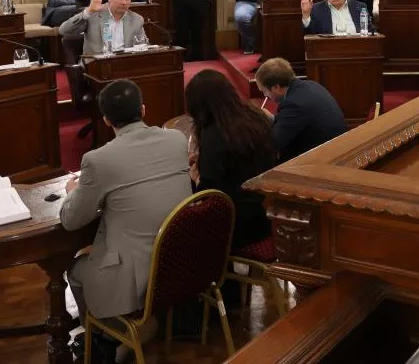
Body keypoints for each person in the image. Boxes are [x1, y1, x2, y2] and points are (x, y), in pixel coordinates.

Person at [61, 79, 190, 326]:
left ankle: (101, 336)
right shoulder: (177, 140)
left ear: (106, 120)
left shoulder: (98, 160)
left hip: (135, 277)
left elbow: (71, 220)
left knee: (75, 269)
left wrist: (71, 192)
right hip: (181, 264)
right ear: (143, 109)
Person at [185, 70, 276, 249]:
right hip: (265, 211)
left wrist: (195, 177)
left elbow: (210, 193)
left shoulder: (214, 133)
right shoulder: (256, 116)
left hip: (235, 224)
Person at [254, 58, 346, 162]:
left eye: (264, 91)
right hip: (335, 147)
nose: (265, 96)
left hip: (324, 160)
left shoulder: (294, 104)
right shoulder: (311, 85)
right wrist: (272, 118)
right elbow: (293, 121)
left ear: (276, 87)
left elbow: (273, 144)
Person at [60, 0, 146, 55]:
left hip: (124, 63)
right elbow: (64, 30)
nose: (124, 2)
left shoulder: (137, 20)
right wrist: (88, 11)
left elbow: (143, 46)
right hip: (97, 64)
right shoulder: (93, 14)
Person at [301, 0, 368, 35]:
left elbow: (370, 31)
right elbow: (310, 34)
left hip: (357, 44)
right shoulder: (317, 9)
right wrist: (306, 15)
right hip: (329, 45)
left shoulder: (359, 7)